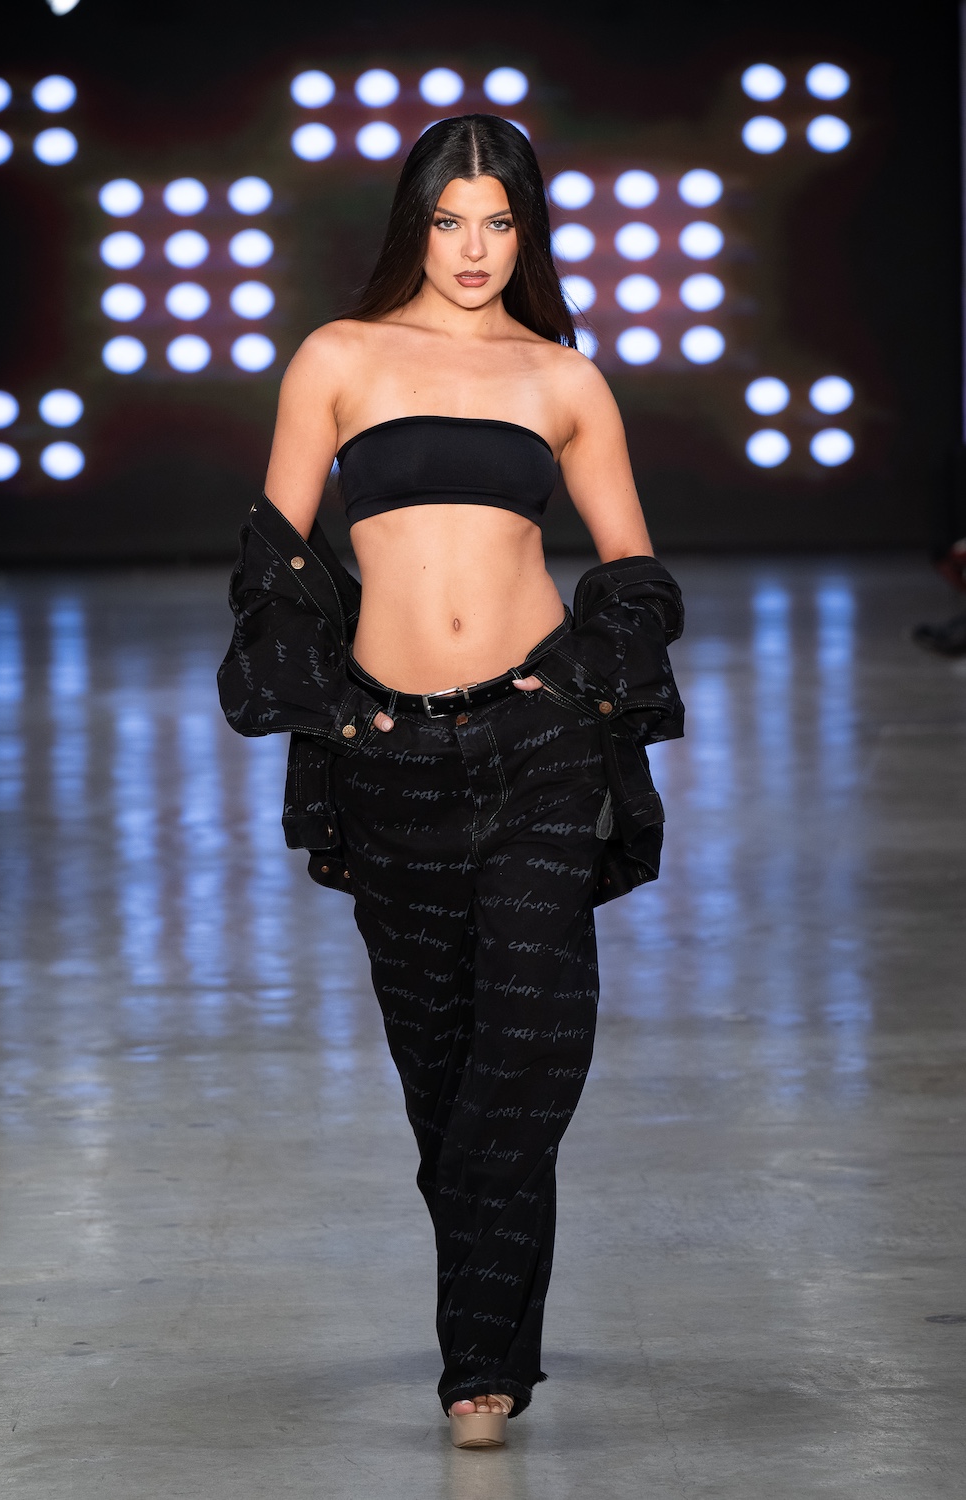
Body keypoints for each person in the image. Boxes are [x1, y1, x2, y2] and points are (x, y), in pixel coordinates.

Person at [218, 113, 684, 1449]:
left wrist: (572, 685)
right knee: (440, 1073)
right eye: (448, 220)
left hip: (539, 747)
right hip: (390, 754)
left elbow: (633, 571)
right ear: (413, 227)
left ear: (525, 231)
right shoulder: (339, 358)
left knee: (530, 1046)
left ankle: (480, 1366)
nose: (473, 248)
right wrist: (336, 716)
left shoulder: (563, 378)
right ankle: (486, 1331)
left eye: (497, 221)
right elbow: (278, 566)